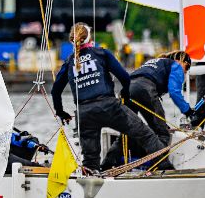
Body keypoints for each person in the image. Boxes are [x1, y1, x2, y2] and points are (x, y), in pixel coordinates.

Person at [52, 23, 163, 173]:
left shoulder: (69, 62)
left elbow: (55, 91)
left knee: (90, 161)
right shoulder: (101, 53)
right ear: (90, 38)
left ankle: (92, 182)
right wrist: (125, 94)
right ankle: (165, 166)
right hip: (109, 107)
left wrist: (61, 113)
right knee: (146, 135)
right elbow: (125, 77)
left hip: (84, 113)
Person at [128, 51, 205, 147]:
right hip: (144, 88)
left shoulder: (156, 61)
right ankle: (161, 161)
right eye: (187, 67)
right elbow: (174, 91)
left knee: (127, 132)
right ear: (180, 61)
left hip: (127, 88)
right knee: (163, 134)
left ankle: (110, 161)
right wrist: (188, 111)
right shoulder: (176, 66)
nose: (186, 72)